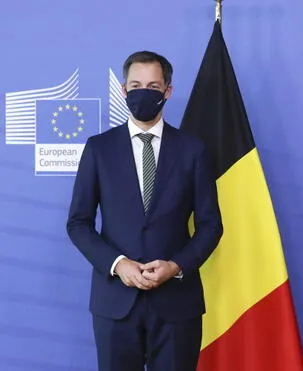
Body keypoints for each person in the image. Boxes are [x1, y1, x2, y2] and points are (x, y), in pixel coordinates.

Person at [66, 51, 223, 371]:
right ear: (123, 90)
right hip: (114, 304)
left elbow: (211, 225)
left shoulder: (193, 150)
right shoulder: (99, 148)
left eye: (153, 86)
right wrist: (117, 264)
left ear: (167, 91)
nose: (143, 92)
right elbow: (78, 223)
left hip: (177, 305)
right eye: (136, 85)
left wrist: (176, 266)